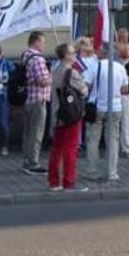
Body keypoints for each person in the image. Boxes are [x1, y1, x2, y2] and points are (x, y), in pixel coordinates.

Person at [47, 44, 89, 191]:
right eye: (72, 52)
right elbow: (84, 90)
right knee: (71, 148)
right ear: (66, 55)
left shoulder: (54, 71)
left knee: (56, 148)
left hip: (57, 114)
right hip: (71, 114)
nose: (75, 55)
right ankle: (69, 182)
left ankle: (53, 181)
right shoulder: (72, 73)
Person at [86, 47, 129, 182]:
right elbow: (125, 89)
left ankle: (92, 172)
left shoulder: (95, 66)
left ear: (102, 53)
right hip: (115, 107)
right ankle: (112, 172)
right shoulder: (120, 67)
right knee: (113, 140)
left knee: (93, 140)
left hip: (97, 107)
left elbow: (86, 85)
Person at [20, 31, 52, 174]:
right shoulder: (38, 59)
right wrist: (52, 77)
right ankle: (33, 162)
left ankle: (27, 160)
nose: (44, 45)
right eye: (43, 42)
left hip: (28, 98)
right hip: (38, 99)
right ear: (36, 42)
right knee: (36, 133)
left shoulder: (25, 55)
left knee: (28, 132)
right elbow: (41, 81)